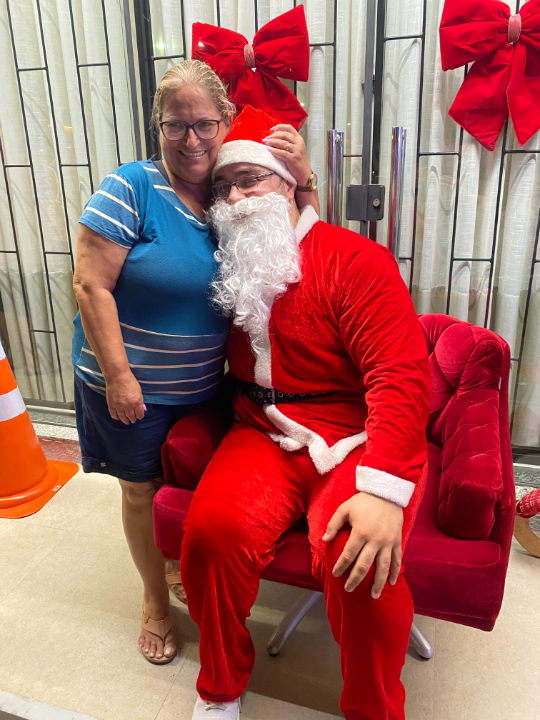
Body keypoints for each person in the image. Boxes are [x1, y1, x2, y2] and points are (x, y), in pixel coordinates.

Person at [179, 106, 431, 720]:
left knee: (360, 564)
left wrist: (385, 491)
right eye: (222, 186)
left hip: (355, 439)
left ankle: (373, 711)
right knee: (211, 536)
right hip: (260, 431)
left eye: (250, 180)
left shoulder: (356, 260)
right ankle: (219, 688)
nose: (235, 198)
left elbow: (400, 375)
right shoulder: (230, 263)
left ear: (288, 184)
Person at [71, 63, 318, 665]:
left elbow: (304, 244)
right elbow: (89, 285)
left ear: (225, 120)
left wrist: (307, 178)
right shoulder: (131, 186)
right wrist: (121, 378)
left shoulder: (230, 187)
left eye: (204, 123)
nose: (191, 140)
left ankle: (176, 563)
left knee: (187, 485)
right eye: (175, 125)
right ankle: (155, 600)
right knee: (141, 490)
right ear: (157, 126)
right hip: (131, 383)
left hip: (206, 386)